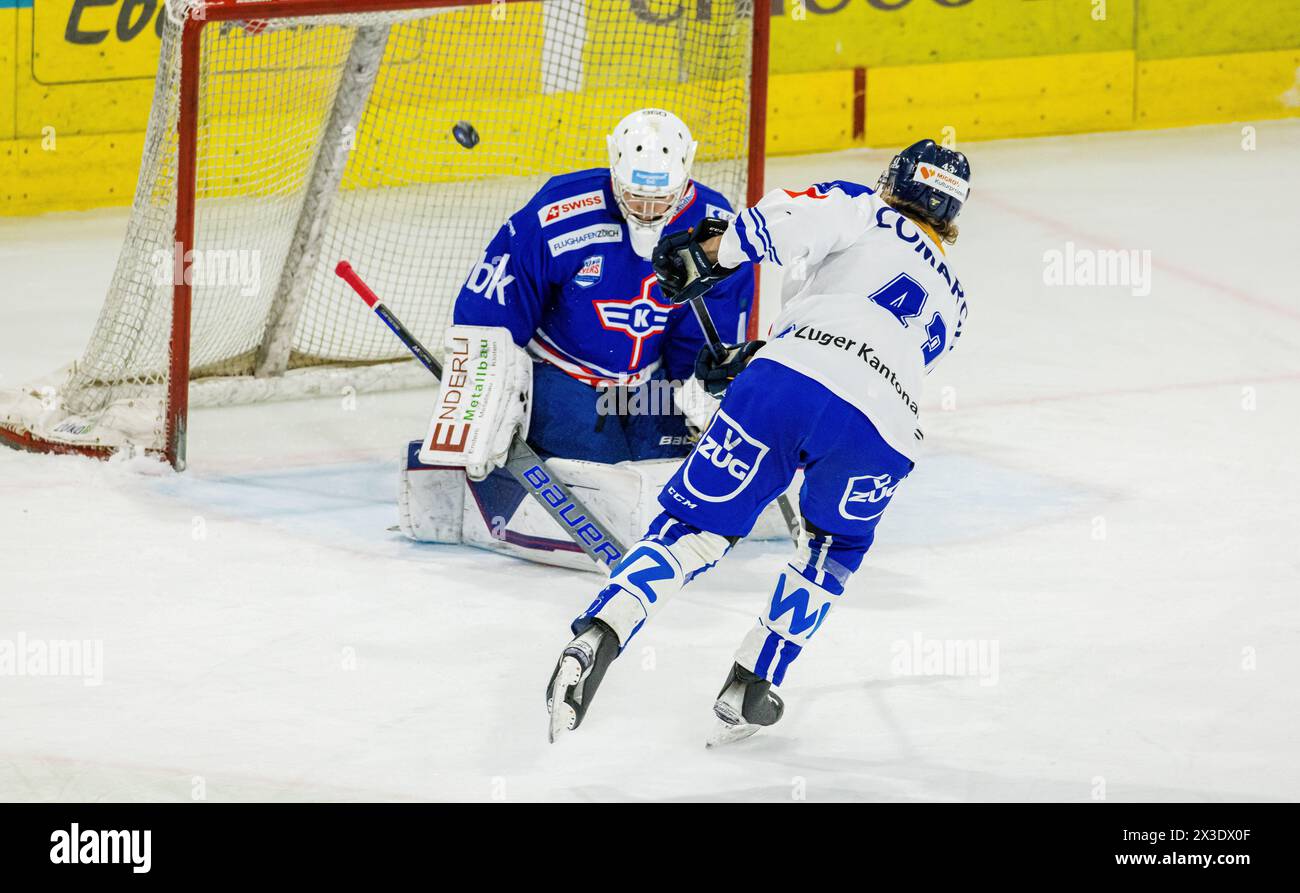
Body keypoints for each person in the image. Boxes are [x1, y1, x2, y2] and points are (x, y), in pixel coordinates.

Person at [545, 139, 973, 745]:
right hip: (886, 433)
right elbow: (870, 353)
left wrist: (711, 253)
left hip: (788, 383)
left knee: (693, 529)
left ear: (893, 180)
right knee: (833, 550)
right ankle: (754, 682)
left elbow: (787, 222)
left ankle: (599, 634)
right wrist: (767, 356)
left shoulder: (863, 206)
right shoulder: (956, 301)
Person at [452, 107, 754, 463]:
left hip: (650, 382)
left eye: (661, 199)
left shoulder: (713, 228)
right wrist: (482, 396)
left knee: (663, 473)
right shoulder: (557, 214)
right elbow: (490, 309)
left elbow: (709, 329)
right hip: (560, 374)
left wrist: (704, 391)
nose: (648, 211)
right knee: (604, 473)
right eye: (636, 195)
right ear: (615, 167)